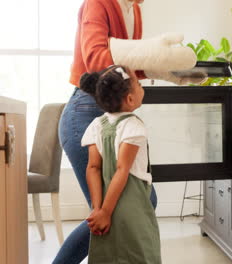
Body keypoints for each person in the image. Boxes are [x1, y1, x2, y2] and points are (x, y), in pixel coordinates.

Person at [56, 0, 204, 262]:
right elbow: (96, 61)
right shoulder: (98, 3)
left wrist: (170, 72)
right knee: (105, 210)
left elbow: (124, 73)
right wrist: (150, 51)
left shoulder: (134, 9)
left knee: (133, 202)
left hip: (112, 113)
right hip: (86, 111)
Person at [80, 65, 161, 263]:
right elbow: (122, 169)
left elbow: (93, 168)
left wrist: (98, 210)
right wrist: (107, 211)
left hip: (105, 199)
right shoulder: (133, 126)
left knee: (109, 253)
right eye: (139, 84)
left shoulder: (96, 125)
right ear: (130, 99)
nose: (142, 87)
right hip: (131, 203)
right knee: (140, 250)